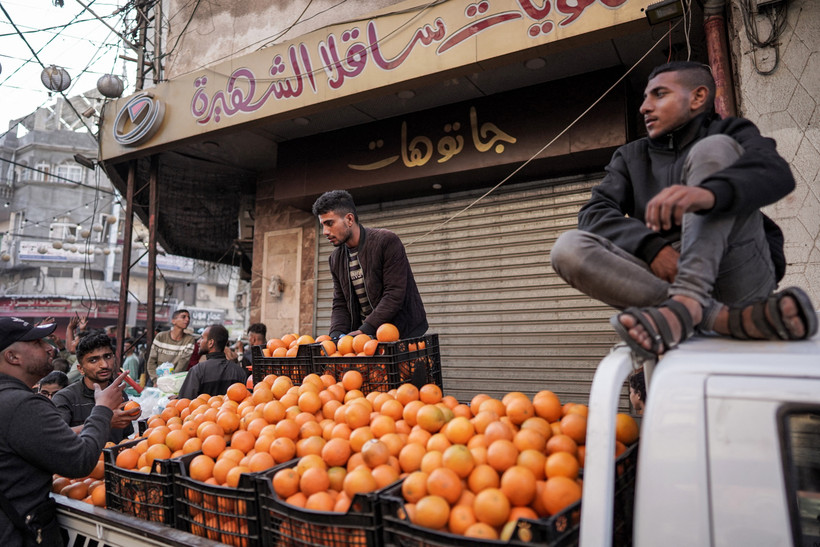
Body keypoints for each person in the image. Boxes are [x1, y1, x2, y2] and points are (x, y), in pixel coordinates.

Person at [550, 61, 817, 359]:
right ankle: (720, 319)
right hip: (666, 278)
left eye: (658, 94)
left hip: (736, 269)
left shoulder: (731, 131)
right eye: (644, 97)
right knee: (567, 249)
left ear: (697, 97)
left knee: (714, 148)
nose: (644, 107)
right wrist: (653, 248)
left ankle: (688, 303)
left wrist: (708, 194)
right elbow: (594, 213)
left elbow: (776, 173)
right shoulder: (630, 157)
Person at [0, 317, 127, 547]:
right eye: (38, 342)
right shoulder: (22, 405)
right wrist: (102, 410)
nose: (50, 348)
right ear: (12, 356)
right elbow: (79, 460)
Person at [312, 190, 428, 339]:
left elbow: (394, 293)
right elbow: (340, 302)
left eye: (330, 223)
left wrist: (366, 329)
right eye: (322, 225)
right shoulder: (335, 259)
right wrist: (335, 335)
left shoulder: (385, 241)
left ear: (349, 219)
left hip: (402, 334)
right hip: (367, 337)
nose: (325, 232)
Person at [52, 333, 138, 443]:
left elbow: (124, 439)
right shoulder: (65, 398)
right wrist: (104, 421)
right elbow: (56, 438)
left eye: (107, 356)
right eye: (93, 360)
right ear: (81, 369)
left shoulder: (118, 394)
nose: (104, 365)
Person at [177, 324, 248, 399]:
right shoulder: (239, 372)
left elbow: (185, 401)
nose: (198, 341)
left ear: (211, 343)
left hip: (201, 410)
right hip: (229, 410)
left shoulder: (198, 371)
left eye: (202, 338)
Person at [145, 309, 197, 384]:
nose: (187, 319)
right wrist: (155, 380)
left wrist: (170, 381)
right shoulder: (161, 336)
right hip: (156, 379)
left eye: (189, 317)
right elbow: (151, 361)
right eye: (183, 317)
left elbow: (183, 363)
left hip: (174, 381)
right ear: (173, 321)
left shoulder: (189, 340)